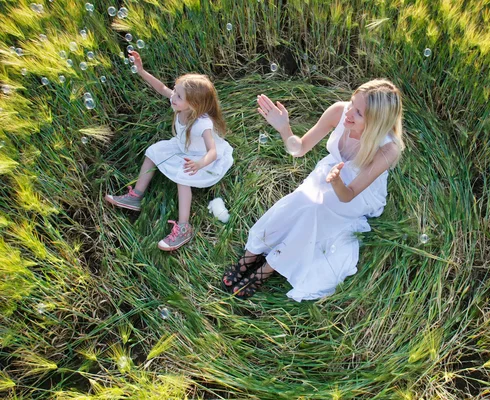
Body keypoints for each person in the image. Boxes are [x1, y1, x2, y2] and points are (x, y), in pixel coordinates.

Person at [222, 79, 405, 300]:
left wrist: (336, 182)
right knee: (300, 199)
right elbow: (298, 149)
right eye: (352, 103)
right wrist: (284, 128)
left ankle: (267, 269)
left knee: (315, 209)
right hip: (330, 171)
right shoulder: (339, 111)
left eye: (358, 113)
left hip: (357, 192)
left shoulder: (388, 149)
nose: (349, 112)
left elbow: (349, 195)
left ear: (376, 122)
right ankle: (250, 255)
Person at [105, 51, 233, 251]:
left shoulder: (202, 123)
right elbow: (161, 87)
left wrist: (199, 164)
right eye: (175, 91)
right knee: (153, 151)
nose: (173, 96)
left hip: (203, 159)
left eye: (178, 95)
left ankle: (184, 227)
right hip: (182, 147)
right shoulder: (180, 105)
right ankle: (135, 196)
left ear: (193, 104)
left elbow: (213, 152)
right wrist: (141, 70)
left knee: (183, 177)